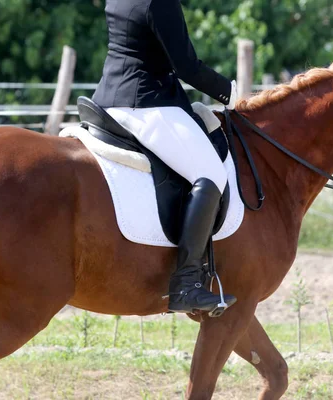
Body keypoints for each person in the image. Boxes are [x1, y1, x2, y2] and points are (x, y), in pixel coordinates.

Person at [92, 0, 237, 314]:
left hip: (110, 98)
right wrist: (231, 93)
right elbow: (186, 66)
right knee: (211, 174)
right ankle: (187, 283)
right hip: (147, 103)